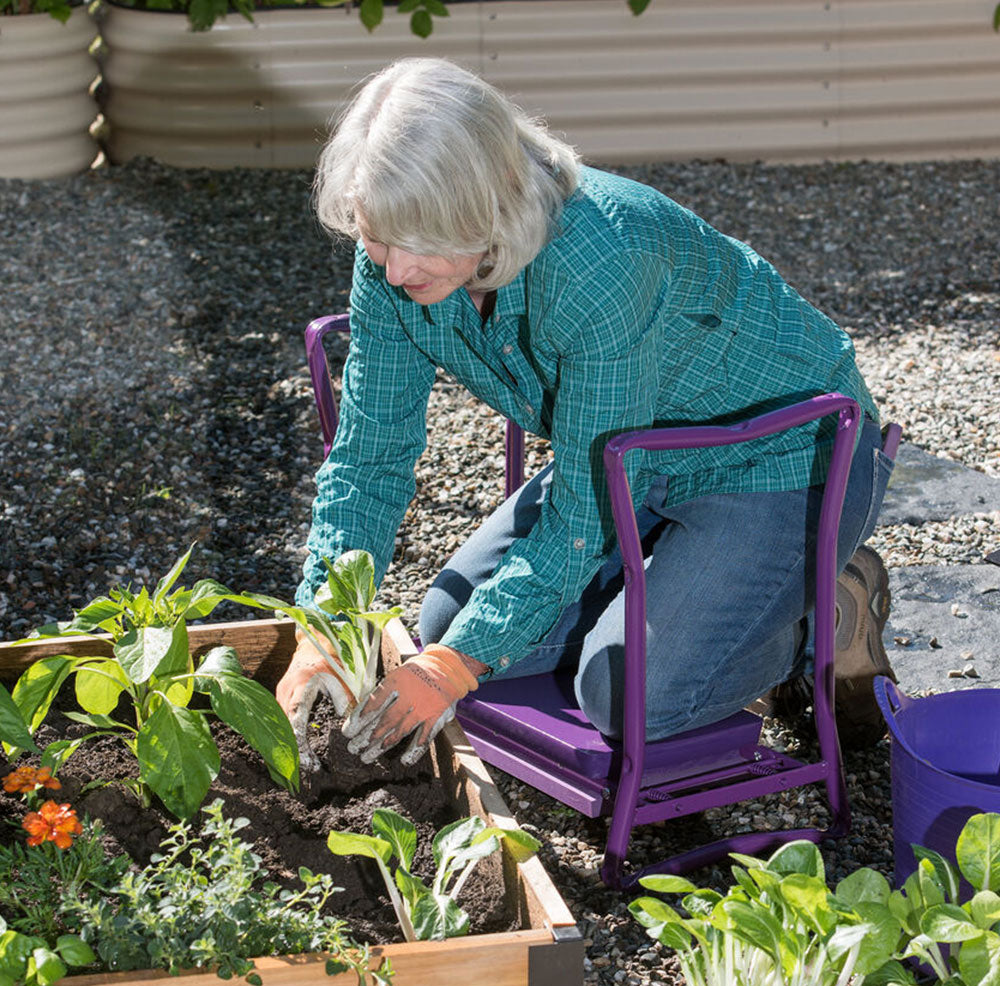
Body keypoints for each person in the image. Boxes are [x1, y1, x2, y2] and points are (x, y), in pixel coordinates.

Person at [276, 56, 895, 768]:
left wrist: (452, 668)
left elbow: (586, 517)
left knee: (626, 692)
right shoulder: (389, 263)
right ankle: (697, 588)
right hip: (635, 456)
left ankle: (819, 615)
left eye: (416, 239)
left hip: (783, 458)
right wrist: (324, 616)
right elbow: (368, 457)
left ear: (489, 205)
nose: (390, 269)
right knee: (446, 619)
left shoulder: (601, 259)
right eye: (375, 235)